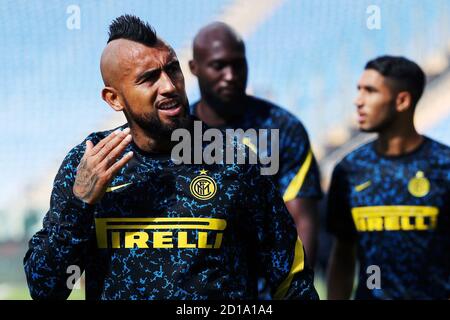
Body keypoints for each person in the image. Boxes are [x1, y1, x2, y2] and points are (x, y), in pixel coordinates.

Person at [23, 14, 318, 300]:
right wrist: (79, 204)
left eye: (172, 69)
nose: (169, 86)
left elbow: (291, 281)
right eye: (149, 78)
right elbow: (45, 289)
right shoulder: (88, 163)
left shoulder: (234, 160)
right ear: (114, 98)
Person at [189, 22, 323, 267]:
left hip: (262, 286)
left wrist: (296, 289)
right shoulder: (178, 132)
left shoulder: (282, 127)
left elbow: (301, 219)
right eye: (218, 66)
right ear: (194, 68)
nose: (230, 76)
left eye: (238, 64)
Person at [326, 56, 450, 299]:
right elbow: (343, 254)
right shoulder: (349, 170)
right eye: (359, 90)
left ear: (402, 101)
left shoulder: (444, 167)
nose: (358, 101)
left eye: (370, 91)